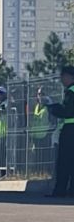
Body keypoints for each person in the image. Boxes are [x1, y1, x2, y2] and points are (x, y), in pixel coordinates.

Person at [47, 66, 74, 198]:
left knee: (64, 161)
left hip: (70, 131)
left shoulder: (71, 91)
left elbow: (67, 111)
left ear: (69, 76)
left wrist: (53, 109)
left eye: (63, 76)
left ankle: (60, 191)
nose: (61, 79)